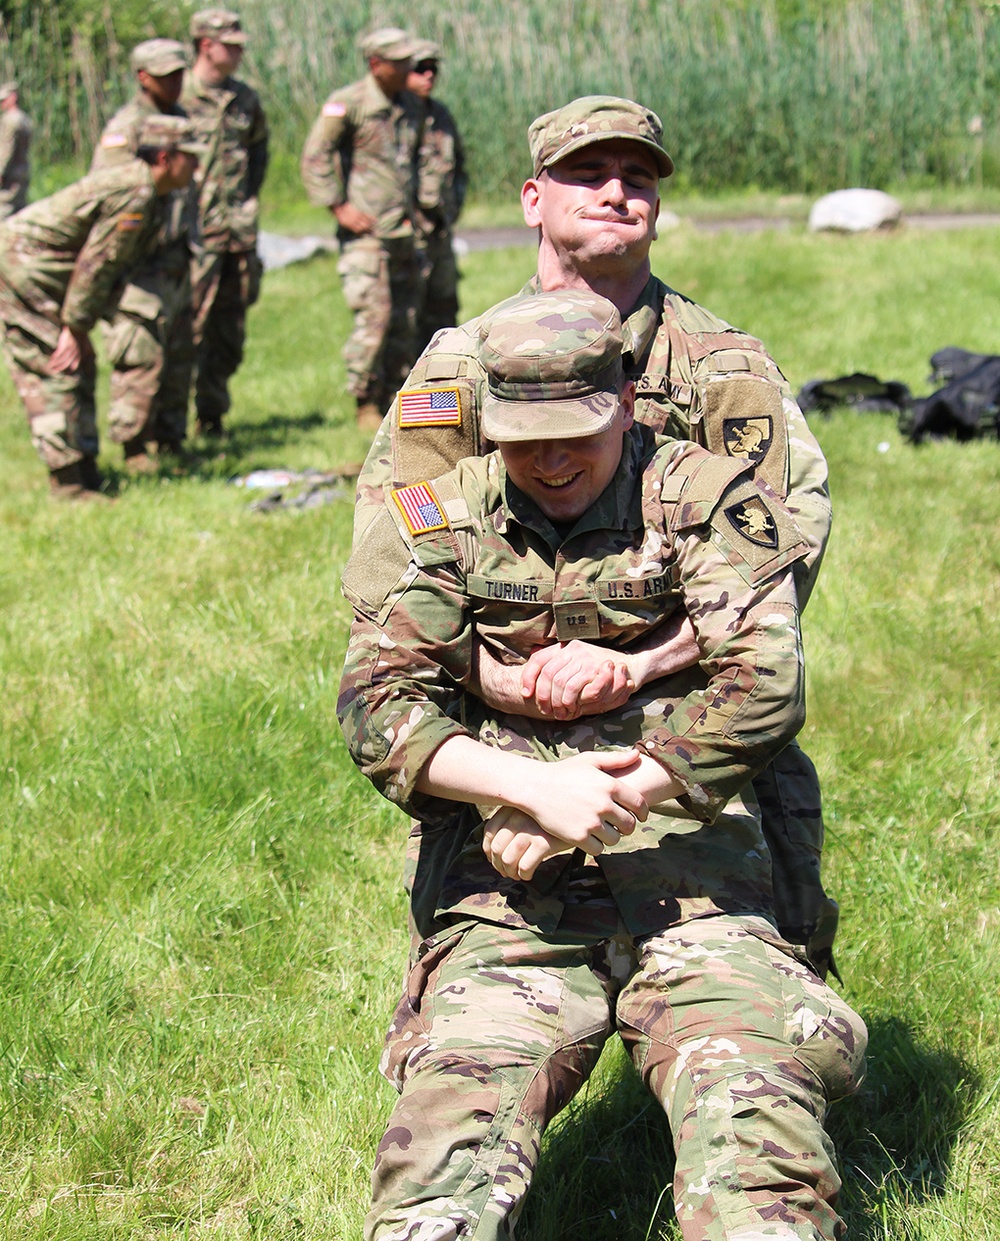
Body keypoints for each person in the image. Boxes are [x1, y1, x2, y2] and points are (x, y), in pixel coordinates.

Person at [339, 289, 867, 1241]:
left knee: (758, 1134)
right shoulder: (440, 517)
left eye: (575, 433)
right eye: (521, 437)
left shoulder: (705, 494)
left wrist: (614, 792)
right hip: (509, 901)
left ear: (626, 400)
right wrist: (532, 788)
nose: (549, 462)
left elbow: (765, 683)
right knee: (443, 1154)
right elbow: (376, 701)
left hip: (699, 887)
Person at [352, 95, 840, 978]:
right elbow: (401, 556)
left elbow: (783, 556)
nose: (617, 192)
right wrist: (495, 676)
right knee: (491, 975)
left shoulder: (722, 368)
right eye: (586, 173)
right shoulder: (461, 369)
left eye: (639, 178)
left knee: (775, 968)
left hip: (689, 707)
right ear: (533, 198)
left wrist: (639, 664)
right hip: (509, 729)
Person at [0, 116, 202, 499]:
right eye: (190, 157)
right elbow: (97, 264)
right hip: (22, 266)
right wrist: (74, 328)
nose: (196, 166)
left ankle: (86, 469)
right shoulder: (136, 192)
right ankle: (67, 483)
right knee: (54, 365)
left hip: (47, 271)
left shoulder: (151, 193)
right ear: (164, 157)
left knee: (80, 363)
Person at [301, 27, 423, 433]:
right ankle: (364, 399)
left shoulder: (410, 104)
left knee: (406, 318)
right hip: (366, 233)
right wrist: (339, 206)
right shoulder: (348, 103)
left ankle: (397, 394)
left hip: (402, 230)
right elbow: (316, 155)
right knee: (375, 315)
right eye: (399, 61)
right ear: (375, 64)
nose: (408, 67)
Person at [91, 38, 196, 470]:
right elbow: (109, 193)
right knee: (139, 352)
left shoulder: (181, 119)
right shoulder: (126, 128)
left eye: (179, 73)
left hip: (177, 255)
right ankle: (133, 446)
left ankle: (171, 439)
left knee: (180, 351)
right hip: (140, 262)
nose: (176, 81)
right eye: (166, 74)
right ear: (143, 76)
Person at [181, 7, 268, 437]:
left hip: (236, 233)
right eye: (229, 47)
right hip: (192, 236)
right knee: (186, 327)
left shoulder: (244, 98)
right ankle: (168, 425)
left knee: (229, 331)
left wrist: (247, 204)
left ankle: (211, 415)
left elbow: (258, 154)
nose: (236, 54)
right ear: (205, 46)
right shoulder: (178, 95)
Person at [406, 39, 466, 354]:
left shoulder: (441, 116)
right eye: (420, 69)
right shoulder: (394, 117)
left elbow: (460, 167)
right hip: (406, 232)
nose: (428, 75)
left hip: (439, 231)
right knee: (405, 315)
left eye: (433, 69)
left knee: (443, 309)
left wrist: (453, 208)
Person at [0, 81, 31, 221]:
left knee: (4, 212)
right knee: (20, 213)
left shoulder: (10, 120)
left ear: (13, 97)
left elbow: (6, 149)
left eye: (3, 99)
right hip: (22, 171)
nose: (1, 103)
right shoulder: (25, 119)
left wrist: (1, 171)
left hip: (9, 175)